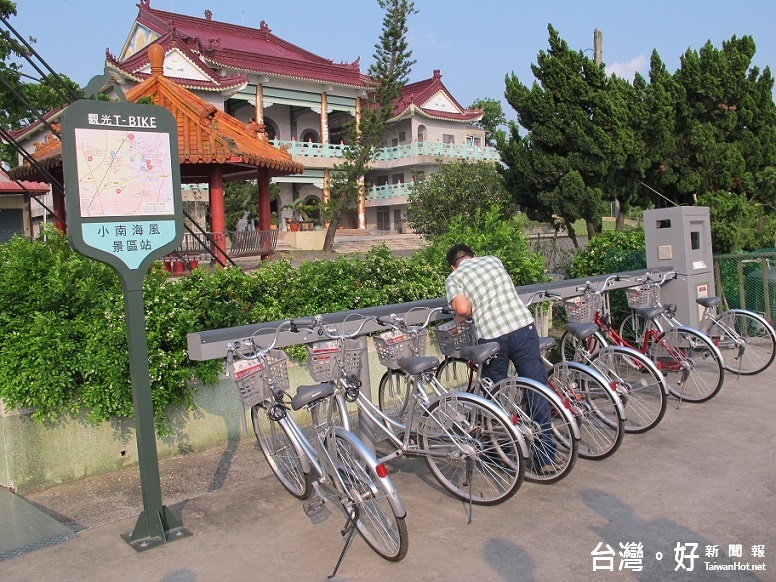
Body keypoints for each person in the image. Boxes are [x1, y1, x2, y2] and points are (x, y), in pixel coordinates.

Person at [445, 243, 556, 473]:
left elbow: (463, 309)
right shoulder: (493, 259)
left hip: (493, 337)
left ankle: (501, 453)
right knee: (535, 388)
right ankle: (545, 458)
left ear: (453, 266)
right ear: (473, 256)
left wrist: (456, 320)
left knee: (494, 394)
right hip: (522, 327)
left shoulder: (454, 278)